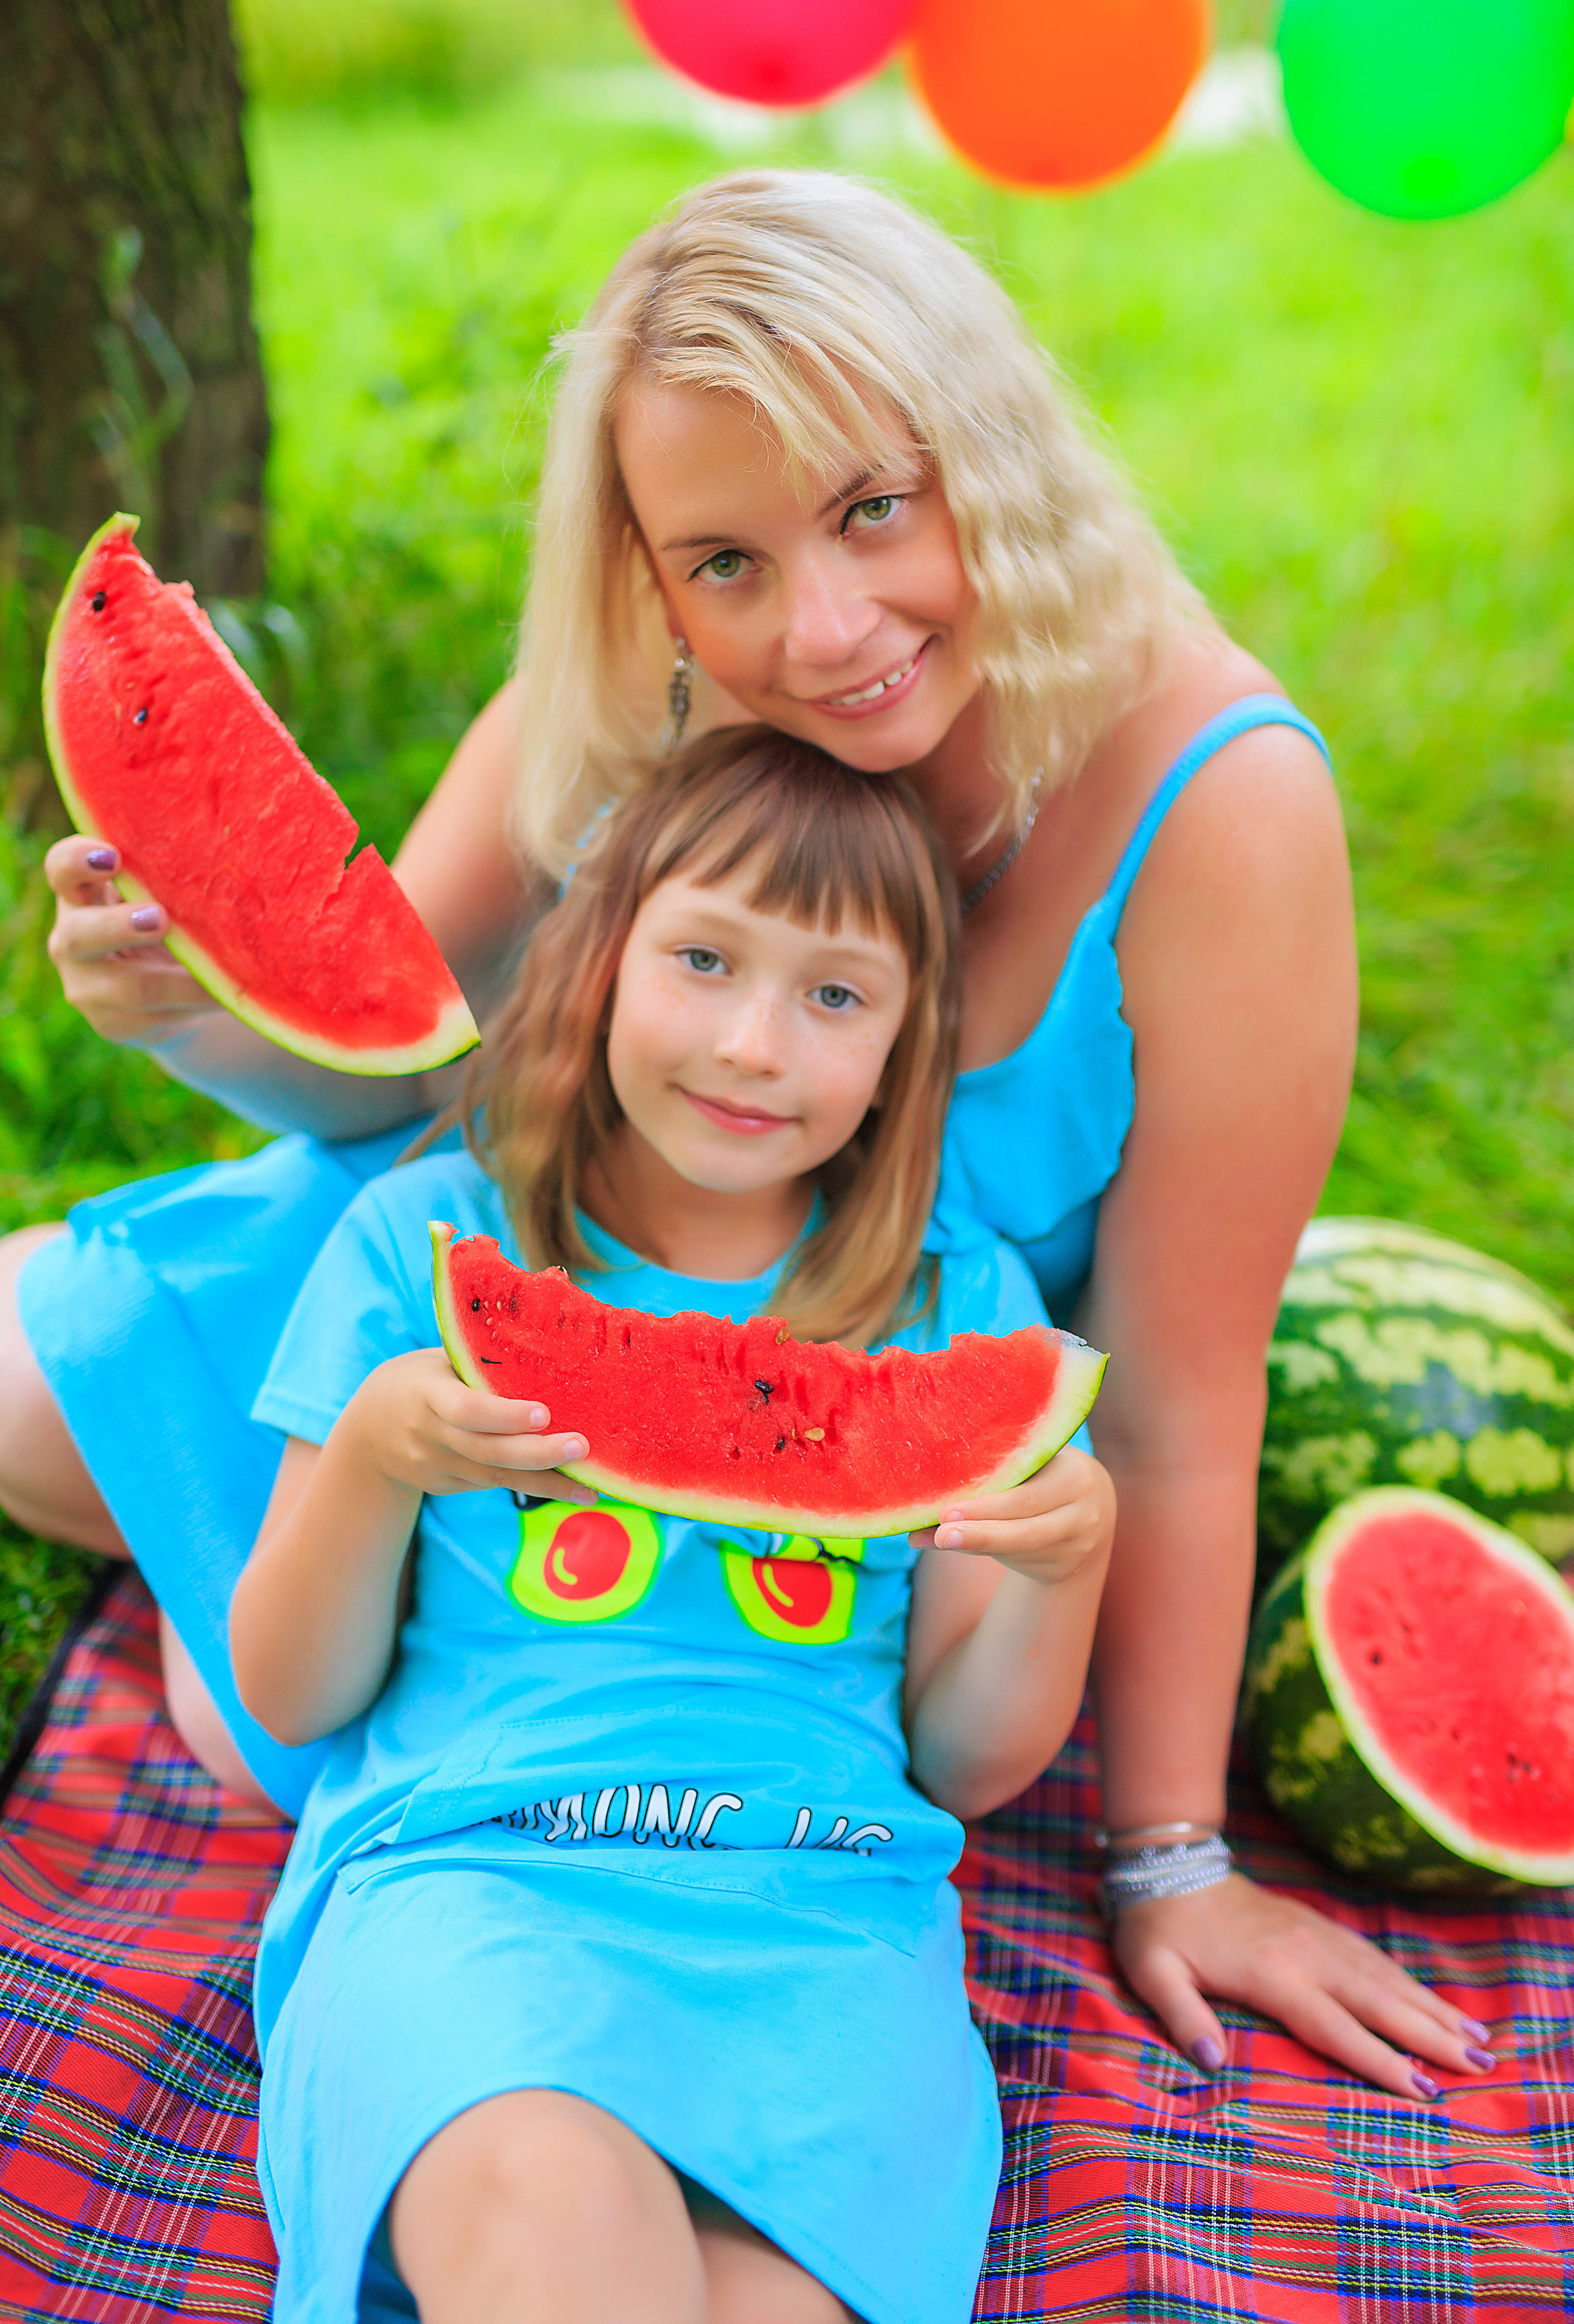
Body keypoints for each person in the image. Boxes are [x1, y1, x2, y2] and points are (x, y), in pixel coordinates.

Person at [0, 168, 1492, 2098]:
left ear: (996, 450)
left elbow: (1176, 1406)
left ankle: (274, 1634)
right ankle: (279, 1595)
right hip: (467, 1310)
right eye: (726, 562)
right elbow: (397, 1074)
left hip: (810, 1490)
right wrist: (194, 1013)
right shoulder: (643, 676)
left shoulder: (1222, 811)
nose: (825, 628)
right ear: (649, 566)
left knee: (244, 1701)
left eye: (878, 506)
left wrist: (1173, 1860)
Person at [231, 726, 1113, 2323]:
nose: (756, 1045)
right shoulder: (417, 1247)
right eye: (705, 959)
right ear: (603, 954)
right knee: (555, 2223)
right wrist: (375, 1456)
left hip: (820, 1918)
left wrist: (1070, 1563)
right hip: (472, 1882)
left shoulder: (962, 1310)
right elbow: (290, 1695)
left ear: (909, 1047)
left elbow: (969, 1758)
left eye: (835, 996)